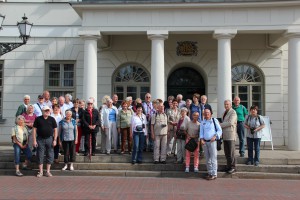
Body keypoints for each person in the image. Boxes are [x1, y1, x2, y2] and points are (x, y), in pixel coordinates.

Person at [32, 106, 58, 178]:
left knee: (50, 154)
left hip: (50, 139)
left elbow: (55, 130)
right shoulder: (38, 119)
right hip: (40, 139)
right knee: (40, 154)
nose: (47, 112)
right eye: (45, 111)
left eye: (48, 111)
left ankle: (48, 171)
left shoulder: (52, 119)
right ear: (42, 111)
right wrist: (34, 140)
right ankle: (40, 171)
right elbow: (34, 130)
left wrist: (55, 139)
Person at [199, 108, 222, 180]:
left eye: (208, 113)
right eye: (205, 113)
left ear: (210, 113)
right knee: (207, 159)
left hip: (212, 142)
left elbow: (219, 130)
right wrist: (201, 139)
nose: (206, 114)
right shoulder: (202, 122)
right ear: (203, 114)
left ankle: (214, 174)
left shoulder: (214, 121)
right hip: (205, 142)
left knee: (213, 158)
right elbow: (201, 132)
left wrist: (215, 136)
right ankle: (209, 173)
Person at [220, 100, 237, 174]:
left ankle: (233, 167)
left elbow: (230, 122)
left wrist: (220, 125)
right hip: (225, 135)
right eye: (225, 104)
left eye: (227, 104)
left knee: (231, 152)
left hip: (230, 135)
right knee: (226, 152)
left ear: (230, 105)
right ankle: (228, 166)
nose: (226, 105)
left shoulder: (233, 112)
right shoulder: (224, 112)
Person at [151, 99, 168, 164]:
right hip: (157, 133)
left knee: (164, 147)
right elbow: (152, 125)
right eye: (161, 107)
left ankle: (163, 159)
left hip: (164, 134)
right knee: (156, 147)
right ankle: (156, 159)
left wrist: (167, 132)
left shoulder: (165, 115)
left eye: (163, 107)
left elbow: (167, 124)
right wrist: (152, 133)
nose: (162, 108)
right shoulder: (154, 115)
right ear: (158, 108)